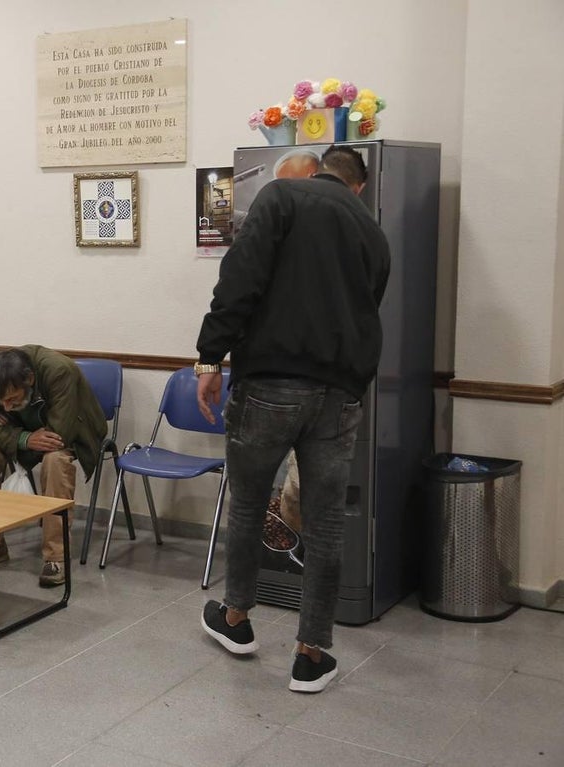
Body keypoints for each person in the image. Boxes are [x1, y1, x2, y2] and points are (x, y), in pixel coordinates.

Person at [193, 144, 390, 694]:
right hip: (341, 394)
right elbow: (368, 310)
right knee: (326, 523)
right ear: (359, 187)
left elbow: (239, 281)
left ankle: (236, 620)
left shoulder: (280, 197)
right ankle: (311, 654)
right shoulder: (372, 232)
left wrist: (210, 357)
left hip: (271, 384)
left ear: (319, 170)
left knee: (251, 503)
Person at [0, 346, 106, 587]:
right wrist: (23, 438)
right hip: (25, 432)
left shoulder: (60, 371)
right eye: (1, 402)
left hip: (74, 433)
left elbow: (59, 435)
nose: (5, 407)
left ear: (30, 379)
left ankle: (56, 557)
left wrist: (9, 431)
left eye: (12, 400)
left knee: (55, 460)